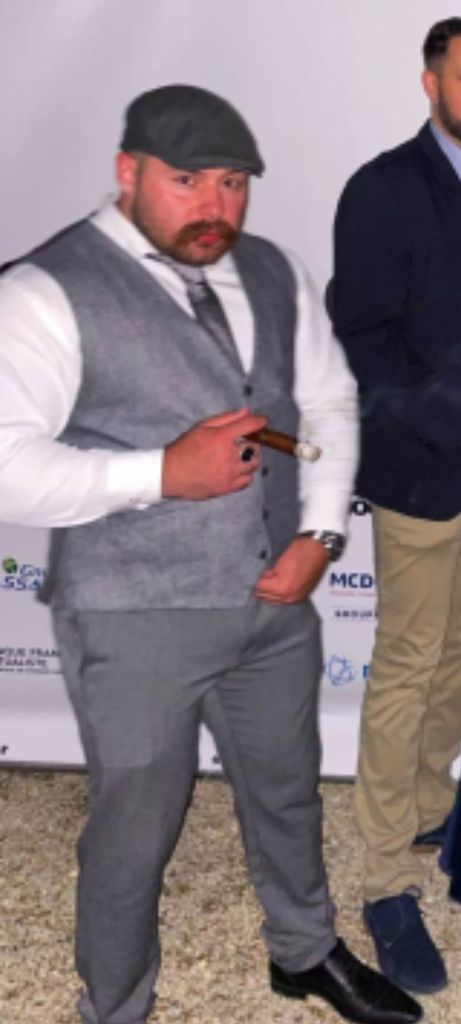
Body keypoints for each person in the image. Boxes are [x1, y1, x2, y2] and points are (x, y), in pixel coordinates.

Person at [0, 84, 421, 1024]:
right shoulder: (44, 290)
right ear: (128, 171)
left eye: (232, 183)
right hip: (131, 612)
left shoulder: (271, 269)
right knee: (135, 827)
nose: (215, 206)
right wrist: (160, 473)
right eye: (187, 180)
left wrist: (318, 536)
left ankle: (302, 952)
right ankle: (115, 1005)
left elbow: (326, 403)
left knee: (287, 793)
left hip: (274, 599)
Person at [332, 16, 461, 997]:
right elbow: (365, 342)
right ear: (429, 82)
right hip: (422, 474)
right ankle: (383, 884)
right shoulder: (381, 189)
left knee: (455, 657)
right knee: (409, 665)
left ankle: (424, 809)